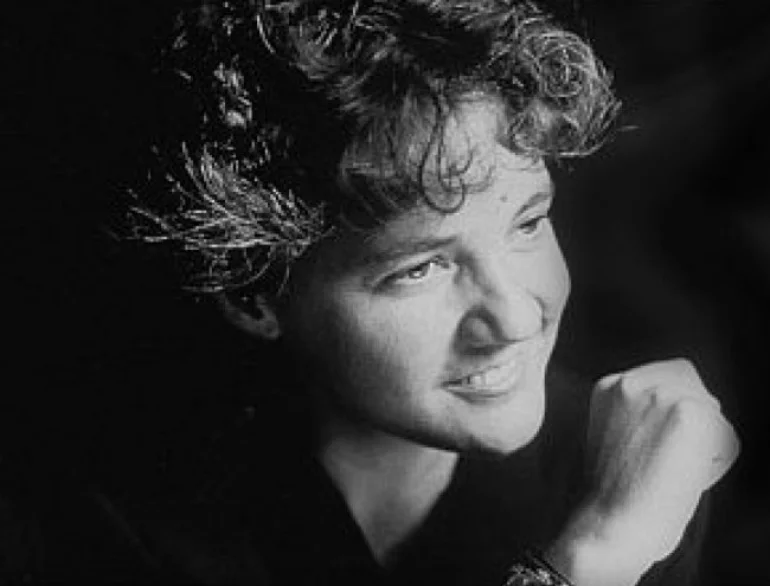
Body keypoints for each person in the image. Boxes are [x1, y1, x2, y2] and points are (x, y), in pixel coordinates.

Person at [2, 1, 739, 584]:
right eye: (420, 269)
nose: (515, 316)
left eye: (527, 223)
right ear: (252, 299)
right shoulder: (106, 516)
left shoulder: (636, 461)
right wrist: (593, 556)